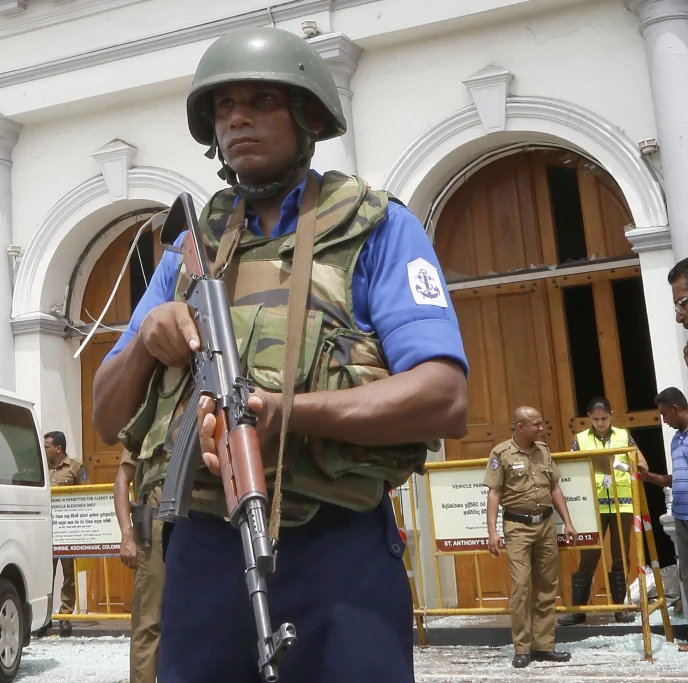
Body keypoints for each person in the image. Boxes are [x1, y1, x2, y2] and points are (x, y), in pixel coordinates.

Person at [92, 26, 469, 682]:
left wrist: (287, 413)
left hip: (335, 543)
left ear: (308, 116)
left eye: (261, 99)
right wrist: (150, 337)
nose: (237, 117)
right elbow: (105, 411)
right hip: (205, 546)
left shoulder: (374, 228)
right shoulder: (190, 251)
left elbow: (443, 394)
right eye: (222, 106)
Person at [484, 406, 576, 668]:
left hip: (546, 525)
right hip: (517, 527)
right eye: (535, 424)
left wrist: (568, 522)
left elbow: (555, 487)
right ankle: (522, 647)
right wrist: (492, 531)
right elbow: (494, 493)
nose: (541, 428)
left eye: (540, 424)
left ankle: (544, 645)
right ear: (520, 426)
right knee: (522, 587)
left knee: (547, 586)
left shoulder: (543, 451)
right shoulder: (501, 453)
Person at [559, 396, 648, 625]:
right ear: (589, 417)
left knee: (620, 555)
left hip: (623, 503)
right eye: (596, 419)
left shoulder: (623, 435)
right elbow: (571, 469)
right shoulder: (580, 439)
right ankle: (578, 610)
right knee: (589, 554)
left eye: (604, 418)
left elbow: (643, 466)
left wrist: (619, 464)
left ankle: (620, 608)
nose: (600, 423)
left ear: (612, 415)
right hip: (594, 505)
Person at [637, 387, 688, 649]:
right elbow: (674, 479)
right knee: (687, 576)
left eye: (665, 414)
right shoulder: (676, 441)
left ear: (676, 409)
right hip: (681, 516)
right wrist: (648, 477)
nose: (664, 421)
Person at [113, 448, 165, 683]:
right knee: (148, 623)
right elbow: (123, 479)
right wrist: (126, 534)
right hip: (156, 530)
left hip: (201, 524)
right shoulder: (151, 415)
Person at [46, 430, 88, 631]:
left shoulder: (76, 467)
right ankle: (44, 617)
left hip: (68, 529)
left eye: (47, 446)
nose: (44, 450)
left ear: (58, 448)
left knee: (68, 573)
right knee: (46, 573)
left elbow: (87, 493)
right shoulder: (42, 468)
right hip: (45, 530)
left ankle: (65, 614)